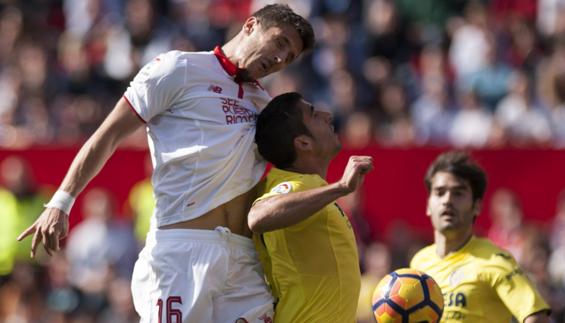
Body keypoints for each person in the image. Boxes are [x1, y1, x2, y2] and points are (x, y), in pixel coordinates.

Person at [17, 4, 315, 323]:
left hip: (242, 260)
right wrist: (62, 201)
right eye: (281, 42)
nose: (282, 58)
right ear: (251, 25)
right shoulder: (178, 68)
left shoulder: (264, 105)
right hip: (183, 252)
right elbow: (108, 135)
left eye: (291, 57)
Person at [248, 92, 374, 322]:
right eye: (314, 115)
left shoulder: (309, 186)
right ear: (303, 142)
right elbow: (258, 216)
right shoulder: (293, 184)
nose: (327, 115)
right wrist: (342, 187)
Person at [410, 151, 550, 323]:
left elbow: (537, 318)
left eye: (458, 193)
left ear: (476, 206)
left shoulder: (496, 261)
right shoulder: (419, 263)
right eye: (440, 192)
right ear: (428, 205)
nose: (447, 200)